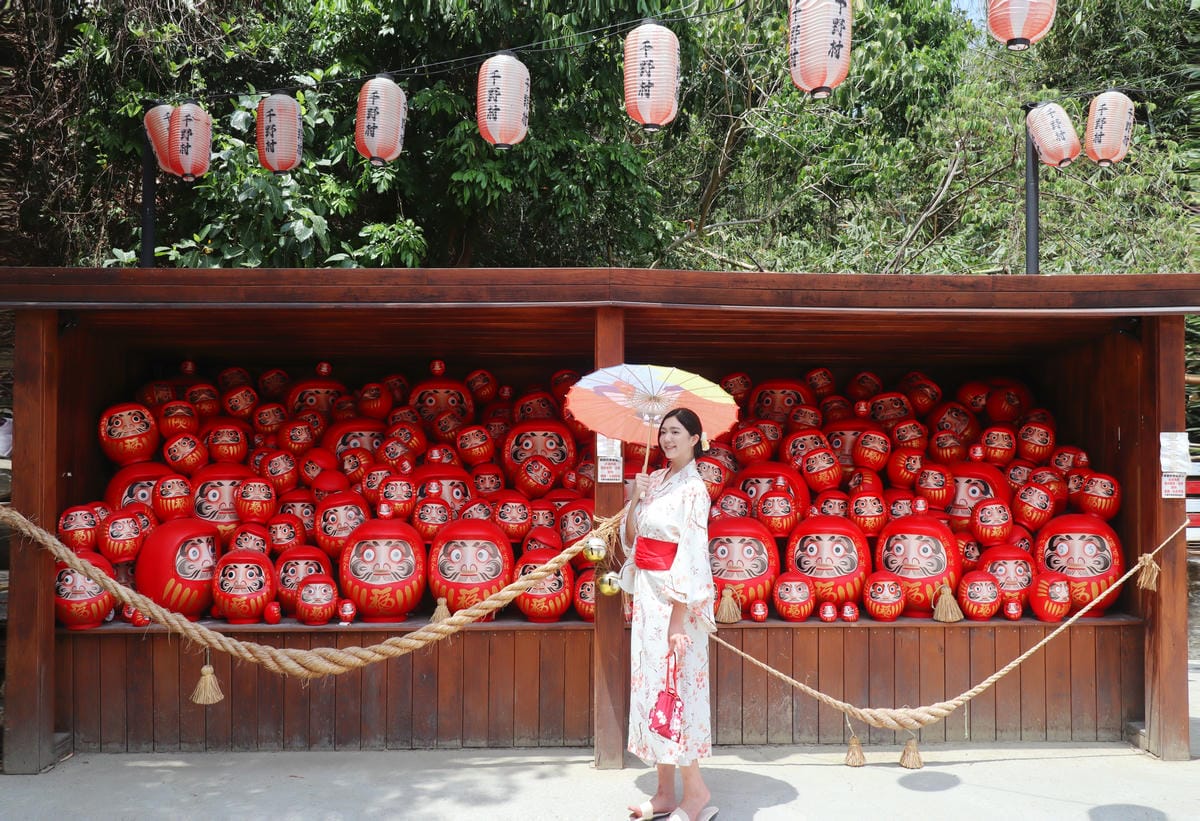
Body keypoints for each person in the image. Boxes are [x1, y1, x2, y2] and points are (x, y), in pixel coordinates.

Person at [620, 408, 719, 821]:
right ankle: (663, 792)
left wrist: (678, 619)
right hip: (648, 596)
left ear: (696, 438)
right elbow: (630, 536)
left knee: (675, 692)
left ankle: (694, 794)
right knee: (649, 690)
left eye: (676, 432)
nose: (667, 439)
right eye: (663, 433)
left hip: (676, 605)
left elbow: (692, 557)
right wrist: (636, 498)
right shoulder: (656, 480)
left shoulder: (695, 488)